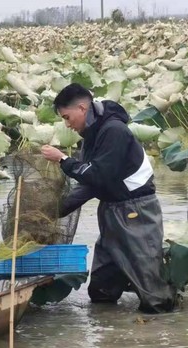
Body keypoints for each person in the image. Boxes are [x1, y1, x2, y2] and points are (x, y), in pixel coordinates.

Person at [41, 83, 176, 313]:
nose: (67, 124)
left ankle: (159, 338)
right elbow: (89, 185)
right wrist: (51, 212)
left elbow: (99, 176)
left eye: (67, 117)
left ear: (82, 108)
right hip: (111, 211)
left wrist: (63, 159)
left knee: (154, 296)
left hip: (135, 212)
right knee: (101, 292)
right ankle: (110, 336)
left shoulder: (114, 131)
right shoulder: (92, 136)